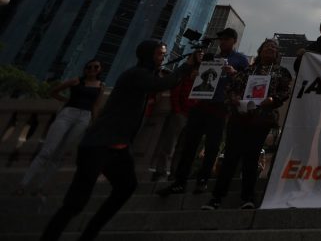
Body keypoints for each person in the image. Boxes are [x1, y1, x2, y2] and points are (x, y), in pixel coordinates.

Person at [40, 41, 201, 241]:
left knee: (127, 186)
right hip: (98, 144)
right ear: (148, 55)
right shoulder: (136, 74)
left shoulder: (144, 74)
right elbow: (161, 85)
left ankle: (90, 233)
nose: (162, 57)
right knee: (76, 202)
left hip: (119, 146)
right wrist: (186, 65)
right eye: (160, 54)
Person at [203, 38, 293, 210]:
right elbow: (230, 88)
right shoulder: (247, 70)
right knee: (230, 157)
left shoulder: (281, 73)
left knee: (252, 159)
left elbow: (285, 91)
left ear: (277, 54)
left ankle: (248, 197)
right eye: (267, 47)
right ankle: (217, 197)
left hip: (261, 119)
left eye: (274, 48)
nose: (270, 49)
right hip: (239, 117)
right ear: (260, 51)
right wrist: (235, 99)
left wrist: (273, 99)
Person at [158, 28, 249, 196]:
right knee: (189, 145)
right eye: (221, 39)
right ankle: (180, 181)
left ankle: (203, 180)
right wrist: (195, 71)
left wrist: (234, 73)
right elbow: (195, 77)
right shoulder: (211, 58)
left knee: (212, 146)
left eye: (226, 39)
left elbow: (246, 81)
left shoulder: (240, 59)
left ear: (234, 40)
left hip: (221, 106)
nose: (222, 42)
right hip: (200, 103)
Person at [17, 59, 105, 196]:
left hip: (84, 117)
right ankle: (23, 185)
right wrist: (66, 101)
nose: (92, 69)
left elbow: (96, 106)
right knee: (47, 151)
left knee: (59, 155)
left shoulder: (100, 86)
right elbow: (53, 92)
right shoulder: (76, 81)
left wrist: (93, 123)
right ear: (85, 69)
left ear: (100, 69)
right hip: (68, 114)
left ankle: (40, 187)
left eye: (96, 67)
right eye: (89, 67)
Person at [148, 66, 195, 181]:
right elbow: (175, 95)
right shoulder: (183, 80)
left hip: (192, 117)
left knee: (182, 148)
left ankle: (174, 173)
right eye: (195, 71)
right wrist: (178, 111)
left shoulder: (201, 84)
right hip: (180, 115)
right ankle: (161, 171)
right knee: (169, 144)